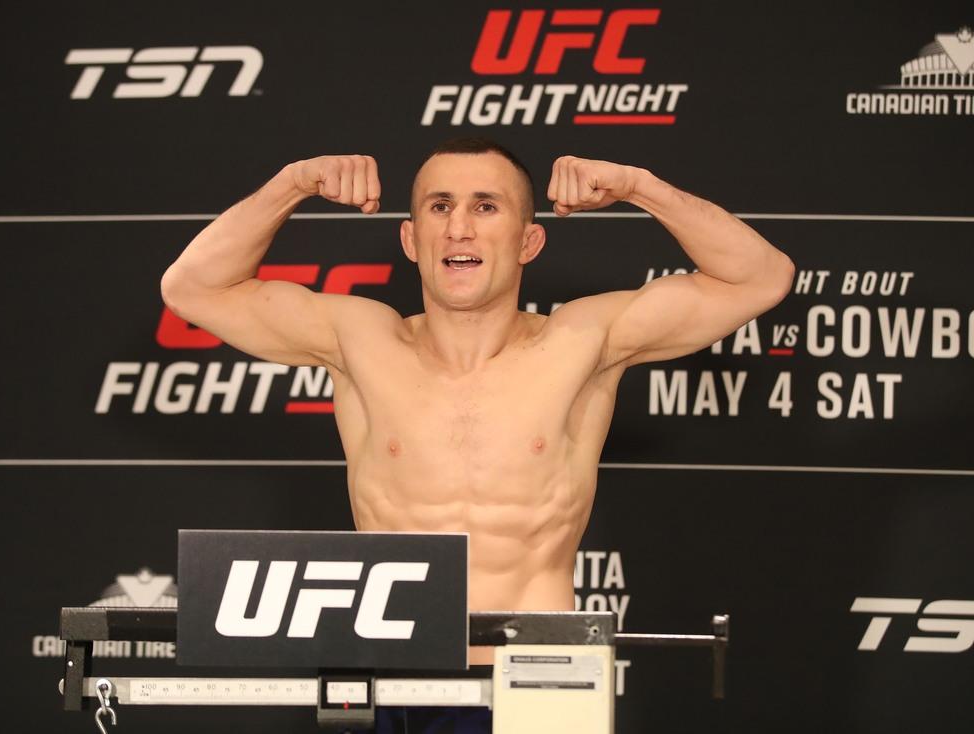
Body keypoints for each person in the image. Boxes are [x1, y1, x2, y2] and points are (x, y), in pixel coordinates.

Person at [161, 137, 793, 732]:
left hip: (544, 670)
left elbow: (760, 277)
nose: (458, 226)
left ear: (529, 240)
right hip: (395, 667)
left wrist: (638, 186)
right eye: (440, 206)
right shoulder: (359, 339)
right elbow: (192, 287)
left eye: (486, 207)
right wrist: (292, 183)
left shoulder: (582, 340)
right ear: (410, 238)